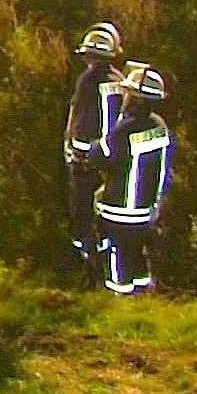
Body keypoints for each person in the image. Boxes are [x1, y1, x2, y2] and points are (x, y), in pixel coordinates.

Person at [90, 63, 172, 296]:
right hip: (146, 209)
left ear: (136, 98)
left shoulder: (125, 129)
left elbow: (100, 155)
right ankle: (143, 294)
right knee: (137, 254)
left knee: (117, 253)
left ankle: (120, 296)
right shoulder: (160, 126)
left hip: (118, 208)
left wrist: (93, 147)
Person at [63, 21, 125, 281]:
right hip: (109, 161)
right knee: (105, 216)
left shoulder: (88, 82)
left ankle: (89, 265)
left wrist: (73, 151)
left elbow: (78, 121)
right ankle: (106, 266)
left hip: (85, 161)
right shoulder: (119, 81)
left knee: (83, 212)